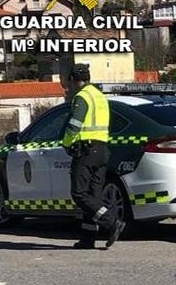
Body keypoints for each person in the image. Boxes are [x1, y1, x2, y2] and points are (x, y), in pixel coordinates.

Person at [62, 63, 125, 249]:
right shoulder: (99, 96)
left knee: (79, 193)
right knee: (92, 196)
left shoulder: (82, 97)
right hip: (102, 150)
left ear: (73, 80)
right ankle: (88, 238)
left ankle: (112, 221)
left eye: (69, 81)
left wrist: (66, 143)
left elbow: (75, 124)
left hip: (87, 150)